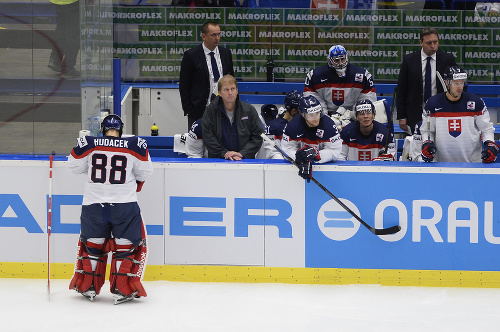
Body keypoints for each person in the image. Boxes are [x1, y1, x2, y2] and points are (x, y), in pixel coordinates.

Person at [66, 114, 154, 305]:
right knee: (125, 248)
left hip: (93, 204)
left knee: (93, 246)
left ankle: (87, 286)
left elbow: (71, 166)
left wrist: (89, 167)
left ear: (102, 129)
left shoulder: (89, 143)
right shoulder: (134, 145)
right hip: (124, 205)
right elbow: (146, 172)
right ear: (120, 129)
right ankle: (122, 289)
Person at [420, 66, 498, 163]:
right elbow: (427, 131)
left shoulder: (476, 102)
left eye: (462, 83)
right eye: (456, 83)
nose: (460, 87)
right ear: (447, 83)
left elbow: (486, 129)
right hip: (441, 165)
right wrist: (427, 143)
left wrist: (489, 143)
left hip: (472, 165)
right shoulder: (432, 104)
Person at [396, 27, 457, 134]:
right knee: (416, 146)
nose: (433, 46)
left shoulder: (447, 59)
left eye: (435, 42)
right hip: (415, 112)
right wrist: (402, 116)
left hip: (440, 111)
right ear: (421, 43)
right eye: (429, 43)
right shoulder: (409, 60)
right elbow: (402, 89)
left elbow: (457, 83)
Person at [303, 44, 376, 130]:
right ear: (329, 61)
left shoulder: (363, 75)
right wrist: (325, 120)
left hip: (353, 117)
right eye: (336, 60)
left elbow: (367, 102)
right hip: (327, 116)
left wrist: (354, 116)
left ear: (347, 57)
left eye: (343, 59)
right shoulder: (315, 76)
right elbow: (313, 101)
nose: (341, 63)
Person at [179, 21, 235, 130]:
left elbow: (231, 80)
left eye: (219, 34)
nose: (217, 38)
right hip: (199, 109)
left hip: (224, 108)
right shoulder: (191, 55)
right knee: (198, 143)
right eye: (213, 35)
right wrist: (189, 110)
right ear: (203, 36)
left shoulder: (226, 54)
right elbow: (184, 84)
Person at [281, 95, 342, 182]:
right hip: (299, 170)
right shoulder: (292, 126)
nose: (316, 118)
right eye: (311, 115)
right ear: (303, 114)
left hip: (326, 169)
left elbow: (335, 152)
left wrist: (316, 154)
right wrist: (301, 159)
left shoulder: (329, 126)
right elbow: (286, 150)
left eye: (317, 113)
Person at [201, 75, 263, 160]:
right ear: (220, 92)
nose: (230, 93)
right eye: (226, 90)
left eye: (233, 89)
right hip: (218, 160)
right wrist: (224, 153)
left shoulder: (249, 110)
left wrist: (242, 154)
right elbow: (208, 137)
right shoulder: (210, 111)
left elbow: (258, 136)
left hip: (244, 160)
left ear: (237, 90)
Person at [265, 90, 302, 159]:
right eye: (301, 111)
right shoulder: (273, 127)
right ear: (294, 111)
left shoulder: (304, 124)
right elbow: (272, 153)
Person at [47, 0, 80, 77]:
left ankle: (55, 59)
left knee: (61, 28)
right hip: (73, 2)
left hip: (59, 1)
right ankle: (68, 67)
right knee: (73, 33)